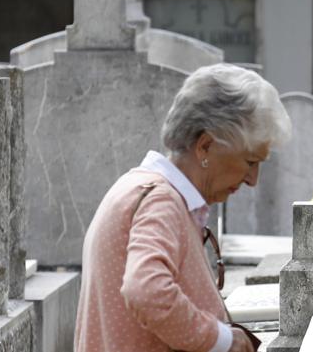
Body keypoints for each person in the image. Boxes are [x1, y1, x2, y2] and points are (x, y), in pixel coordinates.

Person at [75, 64, 291, 352]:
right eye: (250, 162)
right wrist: (222, 340)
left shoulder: (146, 189)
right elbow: (146, 291)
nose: (253, 180)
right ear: (205, 146)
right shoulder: (159, 200)